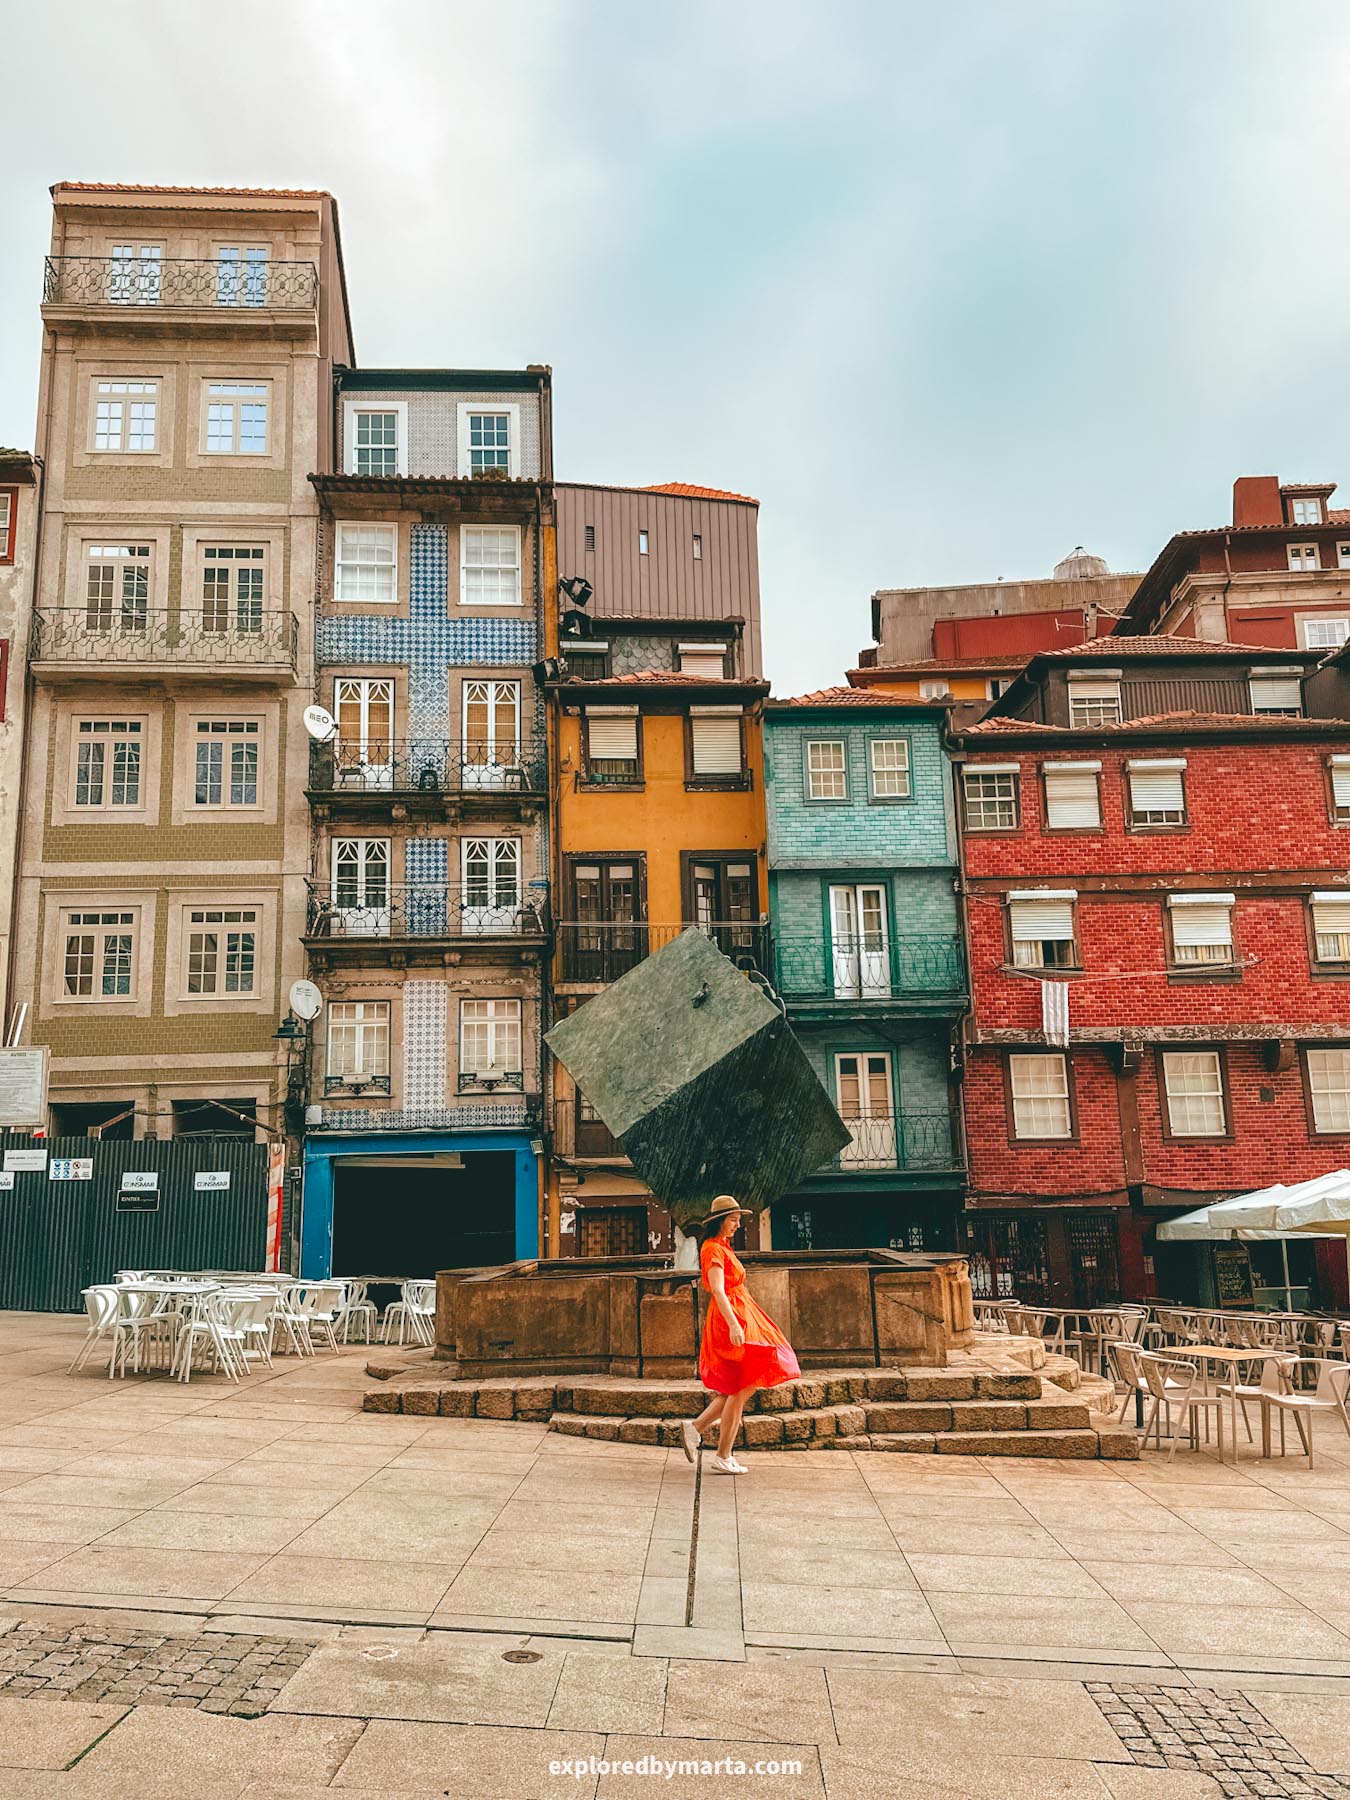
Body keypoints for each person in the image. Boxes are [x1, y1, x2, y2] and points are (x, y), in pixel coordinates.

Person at [681, 1194, 801, 1475]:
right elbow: (718, 1289)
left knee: (740, 1385)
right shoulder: (713, 1249)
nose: (737, 1224)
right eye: (733, 1220)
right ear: (721, 1221)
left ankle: (697, 1429)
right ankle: (719, 1452)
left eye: (738, 1220)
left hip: (739, 1316)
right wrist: (734, 1323)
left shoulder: (722, 1247)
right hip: (730, 1320)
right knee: (742, 1385)